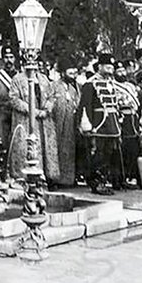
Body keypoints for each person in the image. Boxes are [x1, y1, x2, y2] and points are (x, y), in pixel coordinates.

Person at [75, 53, 122, 195]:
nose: (110, 69)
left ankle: (105, 180)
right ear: (100, 66)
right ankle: (96, 183)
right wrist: (87, 125)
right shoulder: (90, 84)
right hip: (98, 124)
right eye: (107, 66)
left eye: (111, 67)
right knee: (98, 155)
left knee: (108, 154)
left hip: (112, 125)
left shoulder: (111, 83)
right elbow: (85, 105)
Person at [10, 55, 60, 186]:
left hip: (44, 121)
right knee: (27, 147)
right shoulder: (17, 79)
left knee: (45, 147)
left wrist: (47, 109)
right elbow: (14, 99)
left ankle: (48, 177)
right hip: (26, 120)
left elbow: (52, 96)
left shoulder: (44, 79)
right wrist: (33, 111)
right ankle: (24, 177)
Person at [51, 57, 81, 187]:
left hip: (70, 125)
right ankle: (54, 179)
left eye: (75, 73)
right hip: (56, 125)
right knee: (56, 151)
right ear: (63, 73)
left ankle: (68, 179)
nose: (73, 76)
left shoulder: (74, 89)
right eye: (70, 73)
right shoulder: (53, 87)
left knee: (69, 151)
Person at [114, 60, 142, 188]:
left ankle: (131, 176)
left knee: (134, 149)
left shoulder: (130, 86)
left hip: (133, 119)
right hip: (122, 119)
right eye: (119, 71)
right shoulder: (113, 86)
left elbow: (137, 102)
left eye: (123, 71)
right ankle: (122, 177)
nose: (122, 73)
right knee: (123, 150)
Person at [0, 45, 17, 151]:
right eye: (6, 57)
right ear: (2, 59)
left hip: (17, 115)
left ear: (15, 59)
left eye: (11, 57)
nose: (9, 60)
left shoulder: (20, 76)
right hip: (3, 117)